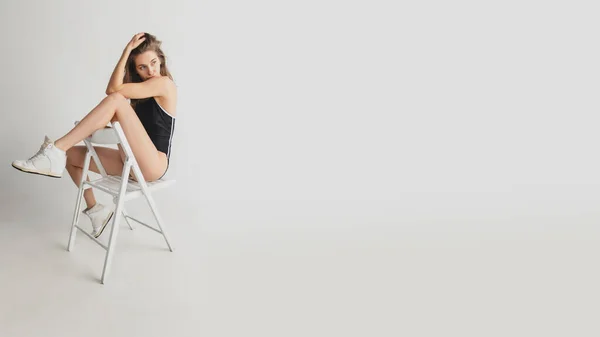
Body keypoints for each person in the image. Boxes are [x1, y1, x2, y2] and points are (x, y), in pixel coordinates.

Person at [12, 32, 177, 238]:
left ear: (161, 59)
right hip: (131, 162)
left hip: (154, 165)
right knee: (71, 155)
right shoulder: (138, 93)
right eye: (142, 67)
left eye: (153, 62)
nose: (150, 70)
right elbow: (119, 99)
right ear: (136, 70)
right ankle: (96, 210)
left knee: (116, 100)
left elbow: (112, 90)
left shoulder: (164, 83)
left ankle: (55, 149)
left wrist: (126, 51)